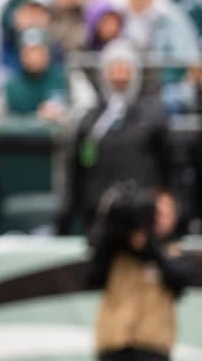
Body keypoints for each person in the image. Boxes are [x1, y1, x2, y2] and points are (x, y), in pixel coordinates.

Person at [56, 41, 177, 235]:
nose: (119, 76)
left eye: (125, 69)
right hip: (99, 215)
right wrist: (67, 213)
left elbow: (172, 163)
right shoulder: (90, 120)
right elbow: (75, 168)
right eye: (114, 69)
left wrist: (167, 199)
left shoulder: (153, 115)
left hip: (143, 213)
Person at [87, 184, 190, 361]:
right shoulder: (116, 249)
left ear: (175, 218)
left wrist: (149, 248)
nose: (160, 219)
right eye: (156, 213)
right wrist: (111, 228)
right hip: (113, 343)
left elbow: (179, 281)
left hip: (152, 346)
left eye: (166, 214)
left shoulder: (174, 252)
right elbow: (92, 278)